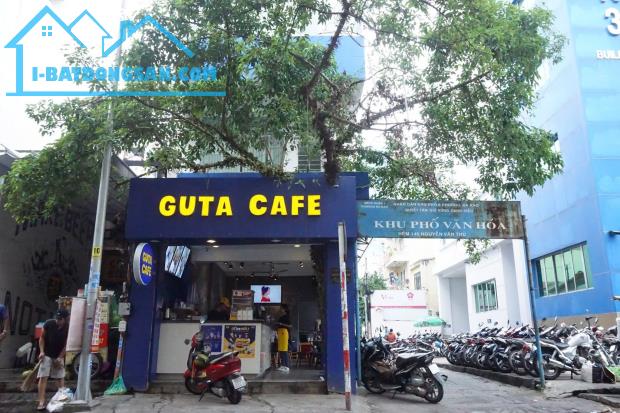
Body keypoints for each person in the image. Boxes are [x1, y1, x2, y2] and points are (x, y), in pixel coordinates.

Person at [37, 309, 69, 411]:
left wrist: (59, 358)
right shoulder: (49, 324)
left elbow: (66, 345)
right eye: (57, 318)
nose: (57, 321)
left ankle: (61, 400)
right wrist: (41, 351)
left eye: (60, 319)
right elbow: (42, 338)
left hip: (58, 355)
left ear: (65, 319)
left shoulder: (68, 328)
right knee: (43, 377)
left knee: (60, 377)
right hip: (46, 354)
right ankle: (41, 401)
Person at [276, 304, 292, 373]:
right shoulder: (281, 317)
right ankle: (283, 365)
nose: (280, 310)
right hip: (280, 333)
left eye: (281, 308)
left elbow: (290, 326)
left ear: (284, 309)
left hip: (284, 333)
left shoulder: (287, 317)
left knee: (284, 349)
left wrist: (281, 324)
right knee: (281, 350)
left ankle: (287, 366)